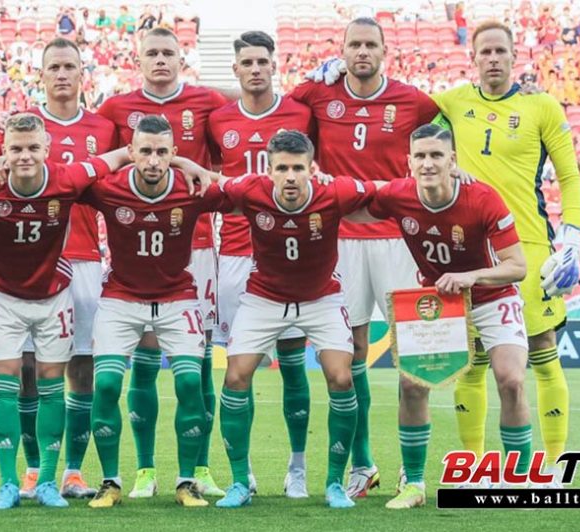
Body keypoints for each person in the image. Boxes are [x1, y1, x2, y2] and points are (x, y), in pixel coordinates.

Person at [0, 113, 127, 509]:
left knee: (52, 386)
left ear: (47, 149)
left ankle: (48, 481)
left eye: (33, 148)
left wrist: (183, 163)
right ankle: (8, 483)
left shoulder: (67, 178)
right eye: (16, 148)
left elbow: (121, 155)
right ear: (3, 150)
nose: (25, 156)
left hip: (54, 296)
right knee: (5, 385)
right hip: (2, 298)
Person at [431, 20, 580, 486]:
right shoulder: (452, 102)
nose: (493, 58)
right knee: (473, 359)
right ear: (473, 57)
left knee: (542, 350)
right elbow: (396, 110)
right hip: (470, 250)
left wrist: (573, 237)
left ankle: (553, 464)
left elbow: (569, 176)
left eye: (501, 51)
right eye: (486, 52)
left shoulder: (541, 106)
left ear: (514, 56)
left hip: (529, 248)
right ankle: (475, 466)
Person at [292, 17, 441, 497]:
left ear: (384, 51)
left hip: (402, 238)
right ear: (341, 52)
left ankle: (412, 473)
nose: (361, 52)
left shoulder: (412, 101)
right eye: (353, 45)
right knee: (350, 353)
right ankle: (362, 464)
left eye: (369, 44)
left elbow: (449, 134)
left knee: (414, 358)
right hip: (341, 240)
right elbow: (283, 108)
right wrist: (312, 76)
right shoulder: (321, 96)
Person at [349, 124, 530, 508]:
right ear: (409, 162)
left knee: (511, 380)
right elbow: (359, 206)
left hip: (492, 295)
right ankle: (414, 484)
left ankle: (519, 478)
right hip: (440, 300)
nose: (428, 163)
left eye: (436, 155)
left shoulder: (483, 198)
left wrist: (472, 276)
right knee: (412, 384)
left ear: (452, 161)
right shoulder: (398, 195)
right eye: (420, 156)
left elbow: (517, 266)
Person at [209, 130, 377, 509]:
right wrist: (178, 163)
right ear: (269, 170)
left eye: (298, 168)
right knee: (235, 376)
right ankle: (240, 482)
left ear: (311, 170)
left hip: (321, 298)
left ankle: (334, 483)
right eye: (282, 168)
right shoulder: (250, 190)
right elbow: (209, 186)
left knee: (341, 377)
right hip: (263, 298)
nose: (290, 176)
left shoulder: (334, 193)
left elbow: (383, 191)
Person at [96, 27, 229, 497]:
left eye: (167, 53)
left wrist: (192, 168)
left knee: (200, 362)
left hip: (195, 246)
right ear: (138, 59)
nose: (160, 60)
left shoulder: (209, 101)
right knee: (144, 361)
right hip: (136, 247)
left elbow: (227, 165)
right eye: (151, 53)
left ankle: (201, 468)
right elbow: (101, 168)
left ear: (180, 58)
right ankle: (145, 469)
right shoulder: (115, 108)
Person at [206, 30, 314, 497]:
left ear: (274, 65)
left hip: (290, 253)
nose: (254, 69)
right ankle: (243, 471)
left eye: (261, 61)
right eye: (246, 62)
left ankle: (297, 468)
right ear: (235, 69)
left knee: (293, 365)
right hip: (235, 256)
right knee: (240, 369)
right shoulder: (218, 120)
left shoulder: (300, 114)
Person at [19, 38, 118, 500]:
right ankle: (33, 469)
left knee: (82, 365)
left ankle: (73, 472)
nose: (62, 74)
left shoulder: (104, 128)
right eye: (54, 67)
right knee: (27, 367)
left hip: (84, 261)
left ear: (83, 74)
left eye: (69, 67)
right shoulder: (23, 126)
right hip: (28, 263)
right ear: (41, 75)